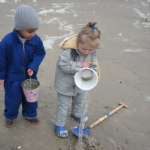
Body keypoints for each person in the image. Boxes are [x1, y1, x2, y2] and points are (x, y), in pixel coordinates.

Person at [0, 5, 46, 128]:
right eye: (30, 31)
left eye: (35, 31)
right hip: (12, 78)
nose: (33, 34)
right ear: (20, 28)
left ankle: (30, 114)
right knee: (12, 99)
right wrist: (1, 76)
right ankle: (10, 116)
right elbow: (1, 60)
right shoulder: (7, 41)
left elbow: (40, 53)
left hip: (30, 76)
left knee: (31, 98)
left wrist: (33, 65)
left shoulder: (35, 40)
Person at [54, 21, 101, 137]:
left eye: (90, 50)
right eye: (84, 49)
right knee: (63, 106)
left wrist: (94, 72)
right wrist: (80, 65)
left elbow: (94, 64)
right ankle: (59, 124)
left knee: (79, 101)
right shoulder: (68, 51)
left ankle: (76, 114)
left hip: (80, 84)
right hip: (65, 84)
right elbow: (63, 65)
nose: (87, 52)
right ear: (78, 42)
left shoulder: (91, 51)